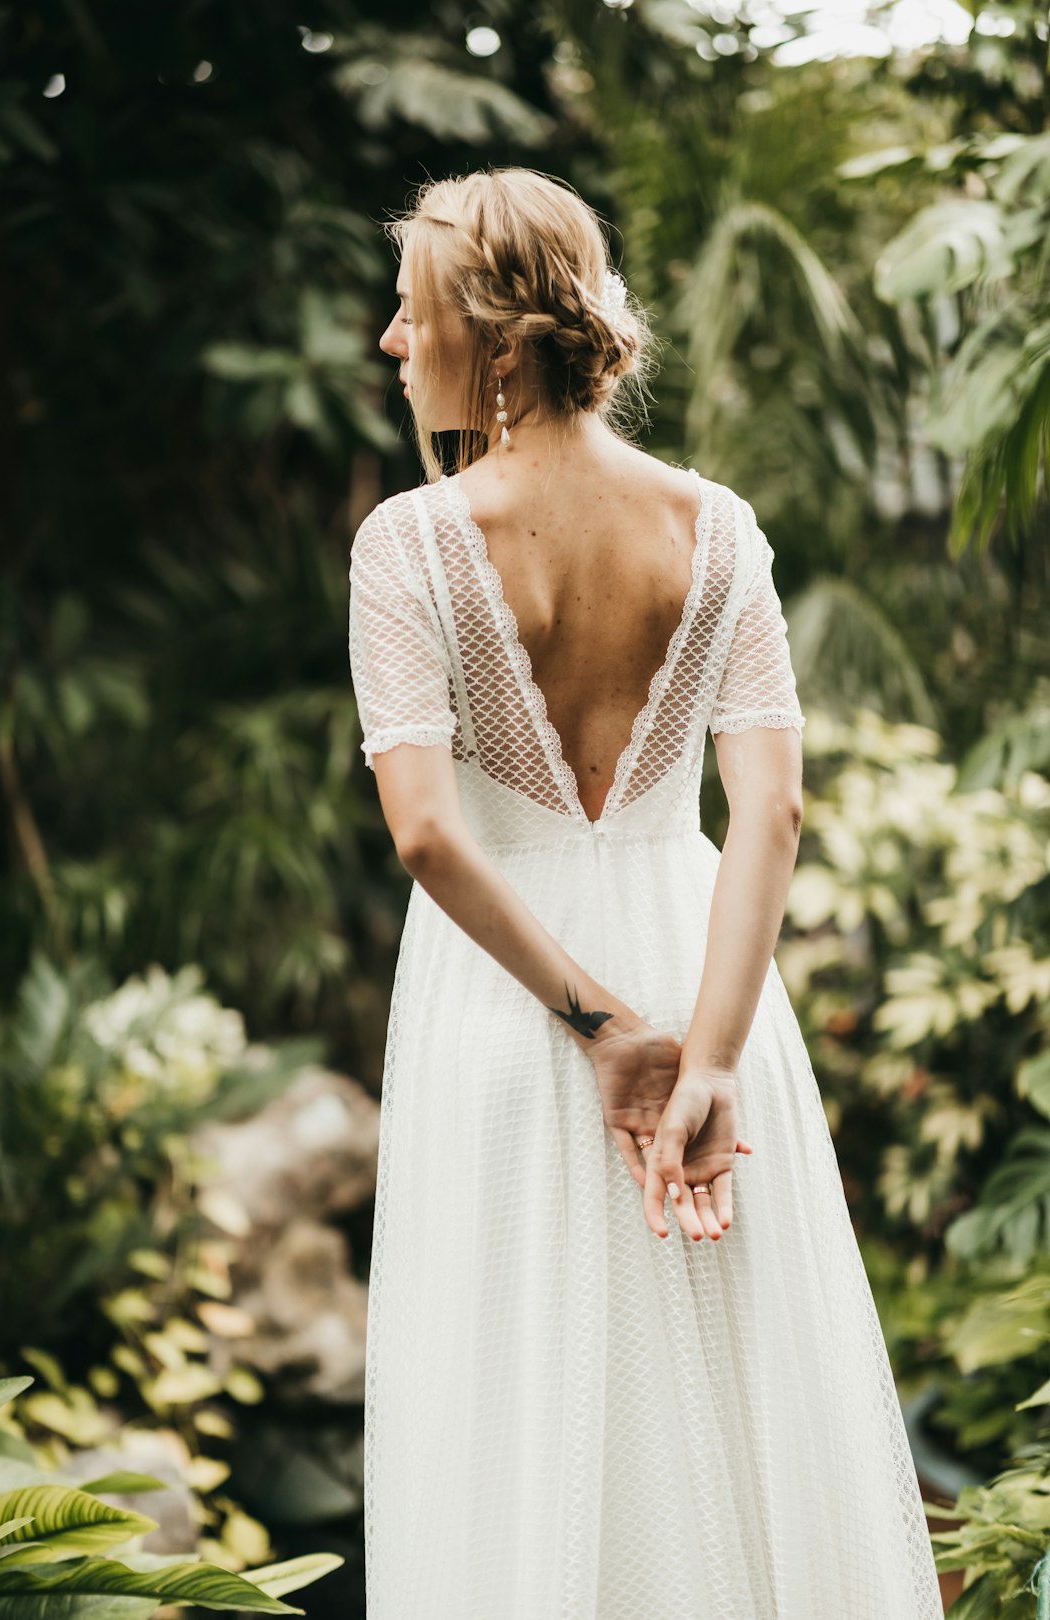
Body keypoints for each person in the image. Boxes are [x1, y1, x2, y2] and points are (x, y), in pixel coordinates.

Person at [347, 166, 944, 1620]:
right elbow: (774, 812)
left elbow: (427, 837)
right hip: (707, 975)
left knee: (521, 1406)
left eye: (408, 306)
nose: (385, 340)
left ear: (489, 339)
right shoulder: (715, 526)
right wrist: (712, 1054)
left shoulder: (409, 544)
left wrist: (605, 1030)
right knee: (745, 1403)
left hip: (513, 1014)